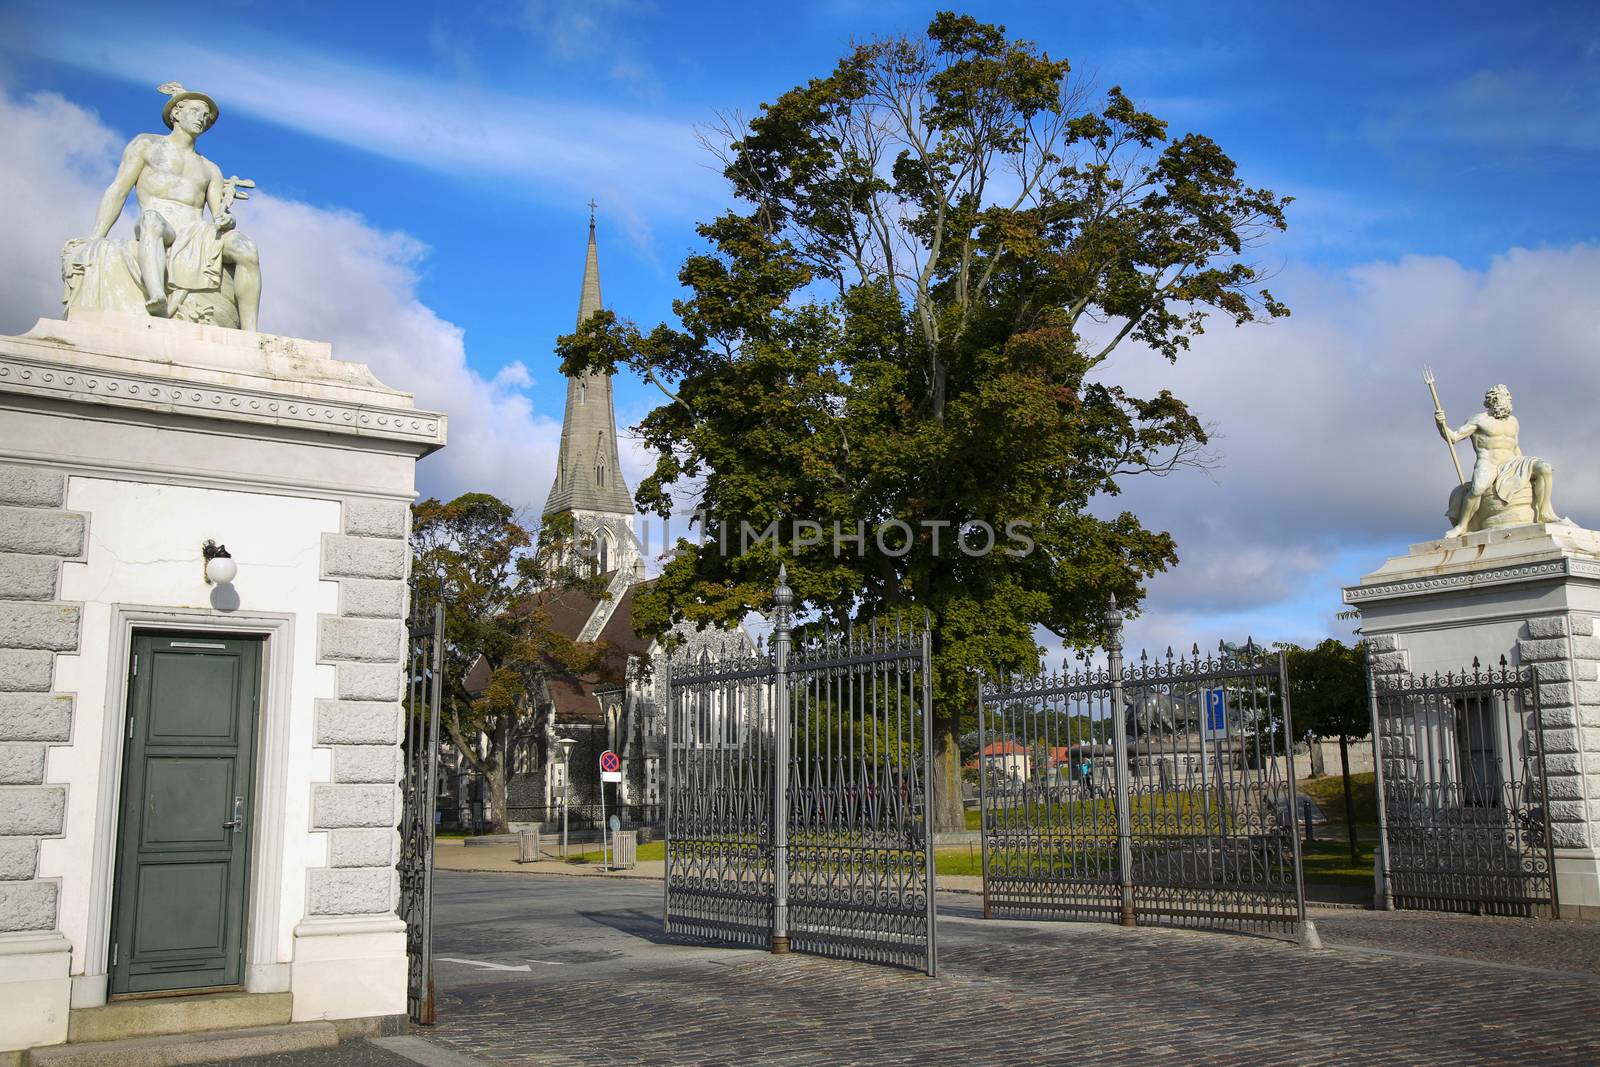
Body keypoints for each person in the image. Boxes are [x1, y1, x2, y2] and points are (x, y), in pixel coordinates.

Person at [79, 83, 260, 330]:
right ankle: (157, 296)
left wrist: (226, 220)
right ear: (176, 112)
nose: (202, 118)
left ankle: (251, 333)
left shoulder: (210, 168)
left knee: (246, 248)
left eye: (206, 116)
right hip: (161, 224)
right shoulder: (146, 144)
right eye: (196, 111)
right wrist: (96, 237)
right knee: (151, 220)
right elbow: (118, 190)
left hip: (197, 232)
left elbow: (219, 215)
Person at [1437, 384, 1563, 538]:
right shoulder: (1479, 419)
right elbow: (1454, 438)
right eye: (1507, 395)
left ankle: (1545, 512)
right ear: (1495, 398)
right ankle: (1462, 526)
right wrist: (1441, 424)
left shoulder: (1513, 421)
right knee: (1477, 489)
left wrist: (1525, 469)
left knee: (1545, 468)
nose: (1510, 398)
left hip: (1513, 461)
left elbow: (1515, 446)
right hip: (1489, 463)